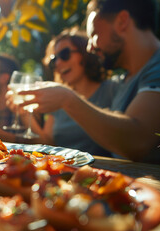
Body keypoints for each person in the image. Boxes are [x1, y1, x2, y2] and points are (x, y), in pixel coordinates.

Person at [17, 0, 160, 164]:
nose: (90, 48)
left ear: (122, 21)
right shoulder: (124, 80)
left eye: (94, 34)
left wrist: (67, 99)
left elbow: (137, 142)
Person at [8, 28, 119, 156]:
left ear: (85, 52)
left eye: (64, 54)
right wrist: (24, 113)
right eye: (54, 59)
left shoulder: (111, 89)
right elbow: (47, 143)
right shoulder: (57, 97)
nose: (59, 63)